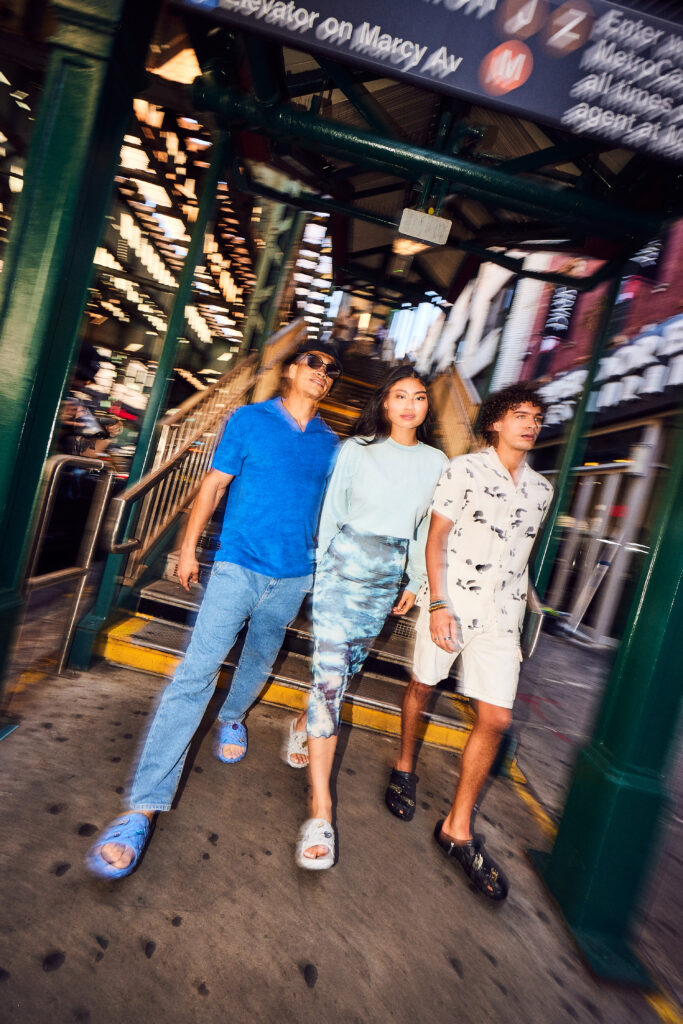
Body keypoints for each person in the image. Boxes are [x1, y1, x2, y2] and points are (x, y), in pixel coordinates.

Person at [85, 342, 341, 879]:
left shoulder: (330, 443)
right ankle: (140, 809)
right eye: (314, 363)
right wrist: (187, 547)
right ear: (290, 369)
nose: (324, 373)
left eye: (331, 370)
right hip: (237, 567)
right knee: (194, 676)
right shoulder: (249, 420)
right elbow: (213, 485)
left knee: (259, 659)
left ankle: (232, 718)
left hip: (295, 575)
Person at [385, 384, 553, 901]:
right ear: (495, 423)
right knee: (423, 686)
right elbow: (436, 538)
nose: (531, 424)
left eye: (537, 418)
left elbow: (520, 556)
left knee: (496, 718)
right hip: (452, 604)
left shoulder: (542, 490)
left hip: (502, 617)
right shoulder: (463, 470)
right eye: (520, 415)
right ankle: (404, 766)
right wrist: (437, 602)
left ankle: (457, 828)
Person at [294, 366, 447, 869]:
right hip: (341, 569)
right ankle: (321, 812)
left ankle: (303, 723)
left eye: (418, 397)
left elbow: (425, 528)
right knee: (330, 682)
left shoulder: (436, 462)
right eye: (399, 395)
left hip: (386, 578)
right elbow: (332, 512)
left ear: (426, 407)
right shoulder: (356, 450)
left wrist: (416, 581)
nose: (409, 405)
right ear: (384, 403)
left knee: (342, 673)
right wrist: (319, 570)